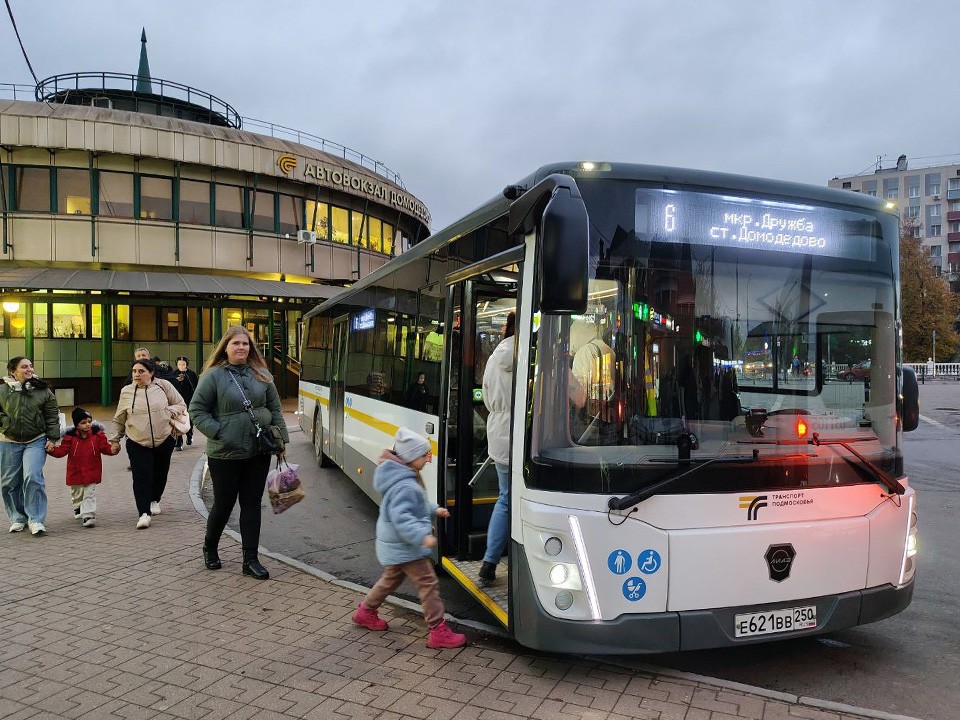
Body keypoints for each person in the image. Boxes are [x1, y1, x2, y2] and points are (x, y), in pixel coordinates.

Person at [351, 427, 466, 649]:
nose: (428, 460)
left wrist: (435, 509)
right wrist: (422, 538)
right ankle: (438, 631)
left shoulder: (402, 476)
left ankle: (365, 612)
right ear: (413, 457)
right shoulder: (405, 484)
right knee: (428, 583)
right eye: (425, 455)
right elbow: (402, 517)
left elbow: (417, 505)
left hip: (395, 544)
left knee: (390, 580)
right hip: (406, 546)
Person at [189, 326, 289, 580]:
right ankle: (210, 547)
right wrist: (220, 431)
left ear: (251, 348)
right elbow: (197, 410)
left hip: (258, 450)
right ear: (226, 347)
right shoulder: (213, 376)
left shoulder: (262, 375)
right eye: (236, 343)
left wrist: (280, 441)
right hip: (225, 453)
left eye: (245, 344)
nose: (241, 347)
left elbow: (275, 409)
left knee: (252, 504)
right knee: (223, 504)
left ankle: (250, 559)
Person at [109, 358, 185, 529]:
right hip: (137, 441)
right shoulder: (126, 391)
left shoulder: (163, 386)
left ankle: (155, 499)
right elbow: (119, 417)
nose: (137, 374)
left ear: (151, 373)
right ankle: (143, 513)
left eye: (141, 371)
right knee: (141, 476)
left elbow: (180, 404)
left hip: (164, 438)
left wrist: (168, 412)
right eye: (134, 371)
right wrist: (115, 440)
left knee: (160, 472)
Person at [0, 357, 60, 535]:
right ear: (13, 371)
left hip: (36, 440)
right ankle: (18, 518)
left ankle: (36, 519)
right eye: (24, 367)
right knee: (10, 482)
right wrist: (6, 423)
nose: (29, 369)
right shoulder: (2, 391)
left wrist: (53, 437)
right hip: (8, 441)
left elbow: (52, 415)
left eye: (31, 366)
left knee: (33, 477)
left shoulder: (43, 391)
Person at [478, 311, 515, 585]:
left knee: (504, 499)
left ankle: (490, 561)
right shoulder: (528, 354)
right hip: (522, 437)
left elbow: (486, 396)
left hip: (499, 434)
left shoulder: (494, 357)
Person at [47, 408, 117, 528]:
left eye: (89, 421)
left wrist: (112, 450)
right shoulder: (70, 438)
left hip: (92, 471)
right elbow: (62, 451)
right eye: (83, 422)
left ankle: (89, 515)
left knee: (89, 493)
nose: (87, 425)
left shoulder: (98, 436)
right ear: (76, 424)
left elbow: (105, 448)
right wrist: (52, 451)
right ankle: (78, 507)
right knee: (77, 493)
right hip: (76, 472)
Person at [169, 356, 198, 450]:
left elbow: (195, 386)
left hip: (189, 399)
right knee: (178, 420)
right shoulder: (173, 374)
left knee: (189, 419)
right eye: (179, 364)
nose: (181, 366)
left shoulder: (191, 374)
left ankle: (189, 435)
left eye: (183, 364)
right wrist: (177, 381)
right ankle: (179, 440)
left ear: (186, 364)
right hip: (177, 401)